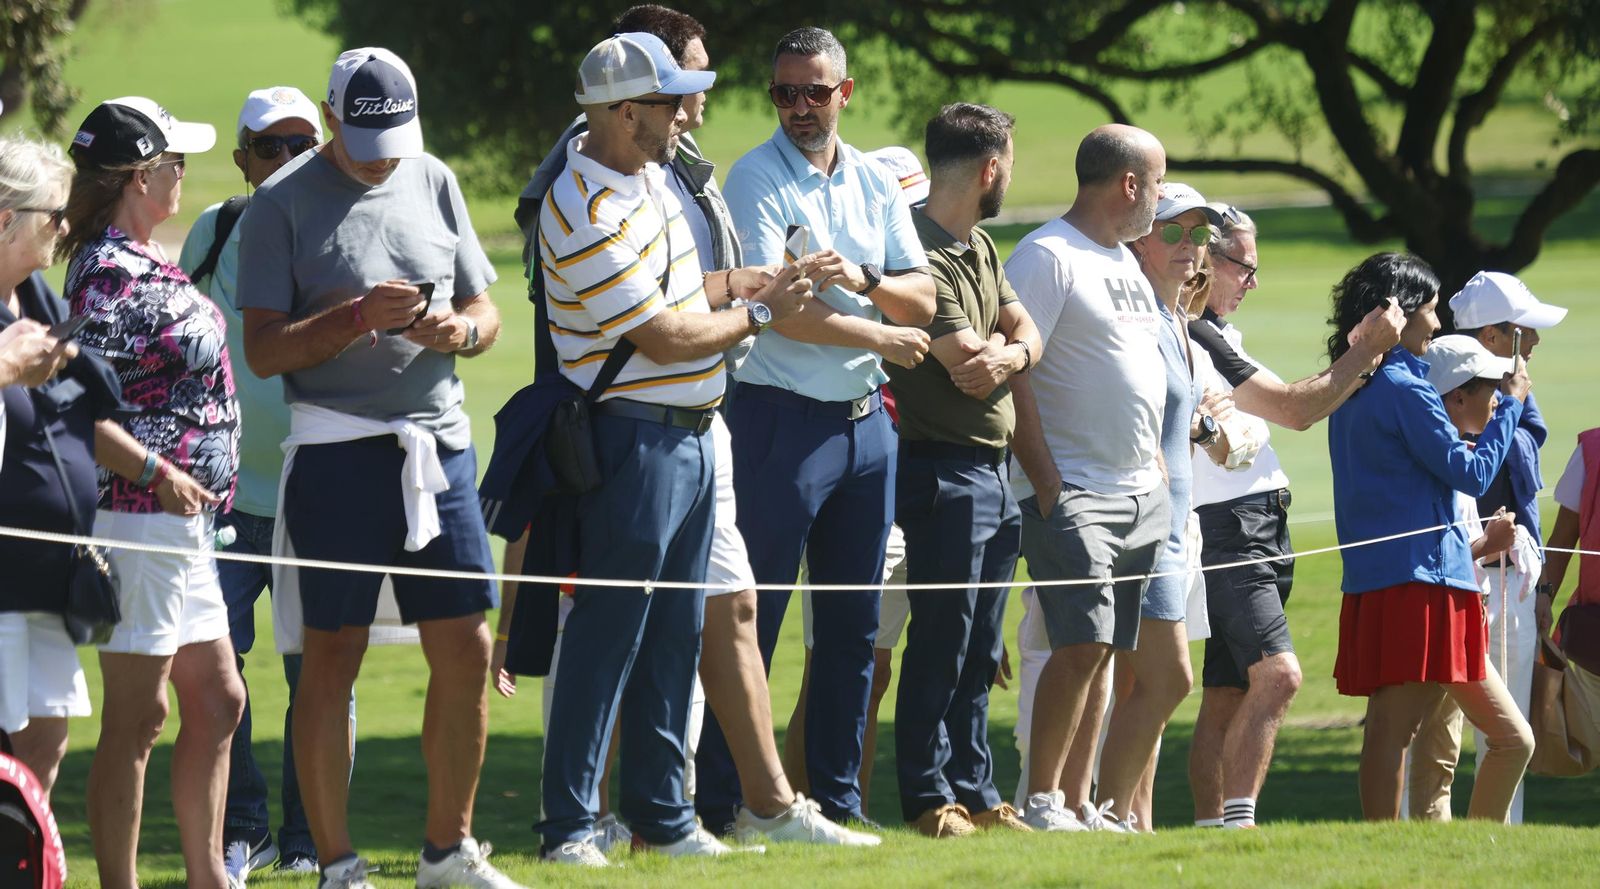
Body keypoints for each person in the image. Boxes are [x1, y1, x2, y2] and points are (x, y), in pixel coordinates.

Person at [501, 5, 872, 850]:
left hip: (694, 430)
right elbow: (661, 332)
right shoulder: (580, 204)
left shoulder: (649, 182)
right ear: (625, 111)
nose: (686, 114)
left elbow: (685, 289)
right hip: (633, 434)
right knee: (609, 634)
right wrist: (763, 312)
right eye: (671, 102)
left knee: (674, 628)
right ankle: (569, 826)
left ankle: (664, 818)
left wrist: (747, 278)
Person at [235, 49, 519, 889]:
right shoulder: (278, 207)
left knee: (466, 644)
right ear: (329, 120)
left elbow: (485, 306)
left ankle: (445, 853)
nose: (380, 152)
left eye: (393, 134)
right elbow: (262, 349)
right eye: (363, 137)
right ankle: (336, 862)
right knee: (331, 655)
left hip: (439, 443)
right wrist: (358, 316)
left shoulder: (432, 176)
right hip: (335, 451)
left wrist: (458, 333)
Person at [706, 25, 936, 828]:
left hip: (866, 427)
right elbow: (776, 312)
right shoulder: (756, 177)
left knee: (851, 625)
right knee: (751, 620)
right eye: (784, 92)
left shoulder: (874, 177)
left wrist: (865, 280)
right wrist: (878, 329)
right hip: (778, 423)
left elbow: (924, 294)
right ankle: (725, 802)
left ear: (845, 93)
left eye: (814, 91)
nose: (799, 107)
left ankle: (837, 802)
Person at [60, 96, 248, 889]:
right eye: (174, 163)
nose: (184, 175)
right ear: (140, 177)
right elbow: (75, 409)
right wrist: (153, 471)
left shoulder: (140, 257)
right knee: (140, 716)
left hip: (178, 526)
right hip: (136, 518)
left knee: (219, 697)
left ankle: (206, 877)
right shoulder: (105, 275)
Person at [1185, 203, 1402, 829]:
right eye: (1245, 268)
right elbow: (1296, 409)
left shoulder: (1217, 333)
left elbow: (1297, 403)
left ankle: (1210, 834)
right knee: (1278, 676)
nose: (1254, 282)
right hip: (1231, 523)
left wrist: (1360, 355)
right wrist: (1366, 351)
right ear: (1210, 259)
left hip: (1254, 520)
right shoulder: (1199, 331)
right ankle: (1237, 827)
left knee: (1228, 692)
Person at [177, 84, 329, 882]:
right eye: (270, 146)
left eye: (302, 145)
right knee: (213, 673)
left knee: (317, 674)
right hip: (224, 499)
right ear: (241, 157)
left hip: (311, 495)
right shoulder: (215, 229)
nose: (285, 160)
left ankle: (309, 840)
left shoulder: (336, 229)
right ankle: (247, 830)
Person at [1002, 124, 1169, 833]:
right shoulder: (1046, 256)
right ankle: (1041, 798)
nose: (1158, 199)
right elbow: (1017, 371)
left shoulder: (1125, 260)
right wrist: (1045, 480)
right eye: (1157, 184)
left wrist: (1155, 470)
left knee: (1105, 652)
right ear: (1129, 184)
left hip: (1138, 490)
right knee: (1078, 644)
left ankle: (1076, 800)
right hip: (1074, 490)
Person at [1326, 252, 1534, 822]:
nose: (1438, 324)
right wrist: (1510, 406)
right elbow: (1471, 474)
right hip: (1422, 581)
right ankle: (1385, 852)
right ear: (1401, 311)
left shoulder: (1353, 383)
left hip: (1398, 577)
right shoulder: (1402, 384)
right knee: (1395, 731)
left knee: (1500, 736)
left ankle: (1458, 855)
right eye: (1432, 310)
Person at [881, 104, 1039, 838]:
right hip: (942, 468)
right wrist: (1009, 353)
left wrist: (1013, 351)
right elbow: (968, 366)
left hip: (993, 472)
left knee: (980, 644)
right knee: (942, 640)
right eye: (1009, 161)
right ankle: (926, 794)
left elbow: (1019, 333)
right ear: (989, 169)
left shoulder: (978, 243)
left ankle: (975, 787)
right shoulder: (916, 252)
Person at [1097, 183, 1238, 831]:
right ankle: (1098, 811)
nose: (1190, 246)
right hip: (1143, 523)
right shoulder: (1139, 319)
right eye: (1173, 231)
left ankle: (1125, 819)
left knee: (1143, 684)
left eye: (1199, 234)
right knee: (1166, 678)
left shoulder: (1177, 318)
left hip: (1174, 527)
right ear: (1139, 238)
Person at [0, 135, 111, 804]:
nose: (66, 227)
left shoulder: (33, 297)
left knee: (47, 736)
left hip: (46, 575)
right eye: (53, 214)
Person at [1448, 271, 1566, 824]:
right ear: (1493, 338)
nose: (1536, 343)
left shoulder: (1507, 395)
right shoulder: (1466, 397)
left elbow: (1529, 442)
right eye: (1525, 331)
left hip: (1507, 579)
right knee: (1478, 734)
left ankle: (1493, 846)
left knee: (1502, 733)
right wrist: (1512, 402)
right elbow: (1498, 464)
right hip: (1480, 578)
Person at [1398, 334, 1526, 821]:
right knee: (1513, 740)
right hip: (1442, 618)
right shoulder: (1443, 460)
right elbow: (1433, 551)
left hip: (1455, 612)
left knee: (1437, 762)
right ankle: (1481, 851)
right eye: (1488, 389)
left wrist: (1486, 543)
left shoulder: (1452, 448)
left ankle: (1446, 864)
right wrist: (1488, 546)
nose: (1496, 399)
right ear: (1455, 396)